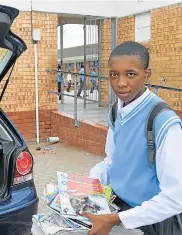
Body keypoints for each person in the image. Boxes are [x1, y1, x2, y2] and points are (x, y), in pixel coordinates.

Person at [83, 41, 182, 235]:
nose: (120, 83)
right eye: (114, 75)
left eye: (130, 74)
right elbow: (111, 163)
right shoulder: (115, 111)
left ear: (146, 74)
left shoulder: (163, 121)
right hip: (120, 210)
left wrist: (114, 220)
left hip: (155, 222)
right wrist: (84, 185)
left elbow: (176, 196)